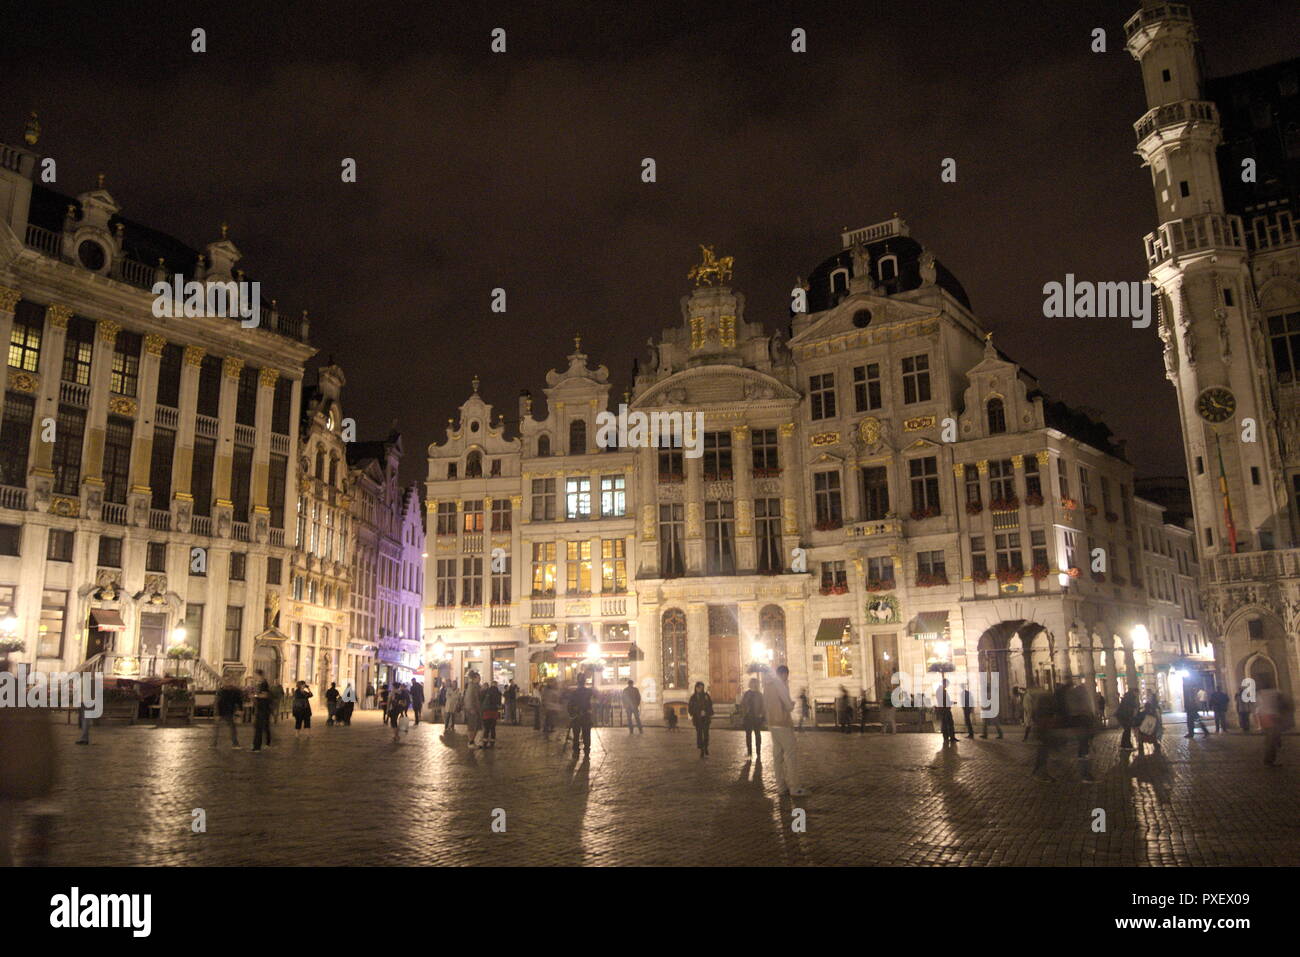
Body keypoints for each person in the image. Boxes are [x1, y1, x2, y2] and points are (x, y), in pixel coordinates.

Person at [764, 665, 809, 797]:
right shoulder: (780, 685)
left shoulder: (767, 685)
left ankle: (781, 787)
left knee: (777, 756)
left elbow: (765, 703)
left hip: (772, 723)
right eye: (786, 676)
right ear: (784, 674)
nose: (786, 679)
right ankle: (795, 787)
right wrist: (792, 704)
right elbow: (788, 705)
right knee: (790, 755)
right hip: (783, 723)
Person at [1257, 684, 1293, 767]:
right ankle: (1268, 761)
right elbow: (1285, 703)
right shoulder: (1276, 692)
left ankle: (1269, 759)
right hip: (1272, 716)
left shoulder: (1260, 693)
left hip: (1263, 717)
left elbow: (1257, 706)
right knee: (1271, 740)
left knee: (1270, 738)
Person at [569, 674, 595, 757]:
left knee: (577, 734)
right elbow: (592, 703)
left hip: (579, 715)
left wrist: (572, 713)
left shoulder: (574, 692)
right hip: (584, 715)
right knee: (585, 733)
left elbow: (570, 705)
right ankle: (586, 749)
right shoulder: (588, 692)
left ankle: (577, 749)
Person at [213, 677, 243, 749]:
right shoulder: (221, 691)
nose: (227, 682)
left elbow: (239, 701)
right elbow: (217, 703)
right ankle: (214, 743)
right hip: (222, 711)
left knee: (232, 728)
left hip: (229, 711)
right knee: (217, 729)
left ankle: (235, 743)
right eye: (225, 681)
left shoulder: (235, 691)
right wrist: (217, 713)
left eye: (228, 681)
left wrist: (240, 710)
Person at [688, 682, 714, 756]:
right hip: (697, 719)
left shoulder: (706, 696)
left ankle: (706, 747)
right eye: (699, 687)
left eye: (701, 688)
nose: (700, 689)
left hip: (705, 718)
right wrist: (695, 713)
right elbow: (690, 708)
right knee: (699, 734)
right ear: (696, 688)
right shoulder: (693, 697)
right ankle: (701, 749)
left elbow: (710, 705)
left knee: (706, 734)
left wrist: (706, 712)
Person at [741, 677, 764, 758]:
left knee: (757, 735)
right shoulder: (747, 694)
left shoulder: (760, 694)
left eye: (755, 683)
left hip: (757, 717)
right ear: (750, 684)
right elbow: (743, 704)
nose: (753, 684)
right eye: (752, 683)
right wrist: (744, 714)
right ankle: (749, 751)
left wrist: (761, 714)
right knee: (748, 735)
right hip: (748, 717)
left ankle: (758, 752)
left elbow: (763, 705)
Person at [251, 669, 273, 752]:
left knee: (259, 727)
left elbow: (265, 695)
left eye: (255, 675)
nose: (254, 677)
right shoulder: (260, 684)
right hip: (261, 708)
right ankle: (265, 743)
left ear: (259, 675)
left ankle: (257, 746)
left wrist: (255, 695)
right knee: (263, 726)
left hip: (263, 709)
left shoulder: (264, 684)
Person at [1135, 690, 1163, 757]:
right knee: (1152, 737)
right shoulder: (1153, 714)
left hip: (1143, 731)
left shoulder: (1143, 713)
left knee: (1140, 737)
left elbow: (1138, 720)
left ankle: (1141, 748)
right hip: (1151, 731)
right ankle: (1156, 745)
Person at [935, 677, 958, 744]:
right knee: (949, 723)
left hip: (944, 709)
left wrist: (951, 702)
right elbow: (943, 701)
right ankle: (949, 737)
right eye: (947, 684)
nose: (948, 685)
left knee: (946, 723)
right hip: (945, 710)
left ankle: (948, 737)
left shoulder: (941, 690)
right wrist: (951, 703)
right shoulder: (941, 690)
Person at [480, 681, 502, 748]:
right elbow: (499, 703)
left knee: (486, 728)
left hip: (486, 712)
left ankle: (485, 742)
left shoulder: (487, 691)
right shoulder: (498, 693)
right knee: (493, 727)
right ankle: (492, 742)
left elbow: (481, 699)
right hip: (494, 712)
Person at [463, 673, 483, 747]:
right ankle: (470, 742)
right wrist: (471, 708)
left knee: (476, 726)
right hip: (472, 709)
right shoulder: (472, 686)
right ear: (474, 678)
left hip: (476, 709)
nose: (479, 679)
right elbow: (469, 698)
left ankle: (473, 741)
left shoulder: (476, 686)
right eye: (478, 677)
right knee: (472, 726)